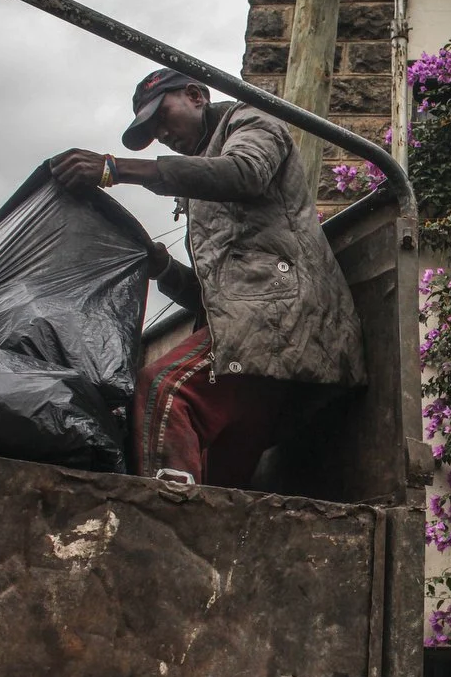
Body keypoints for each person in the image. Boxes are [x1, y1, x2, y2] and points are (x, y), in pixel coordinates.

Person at [50, 69, 365, 488]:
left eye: (162, 118)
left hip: (279, 323)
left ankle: (157, 525)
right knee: (219, 483)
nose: (162, 134)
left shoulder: (250, 121)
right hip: (251, 344)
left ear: (196, 94)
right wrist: (162, 269)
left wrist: (115, 169)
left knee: (162, 390)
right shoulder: (200, 180)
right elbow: (216, 299)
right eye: (153, 131)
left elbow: (246, 172)